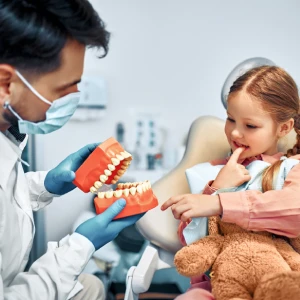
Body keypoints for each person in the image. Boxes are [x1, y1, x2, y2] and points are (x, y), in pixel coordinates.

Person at [0, 1, 143, 299]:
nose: (73, 98)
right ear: (6, 83)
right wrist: (81, 245)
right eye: (63, 89)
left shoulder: (7, 133)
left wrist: (45, 185)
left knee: (91, 287)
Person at [161, 65, 300, 299]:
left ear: (283, 128)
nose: (235, 133)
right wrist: (217, 188)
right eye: (230, 119)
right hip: (215, 285)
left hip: (282, 281)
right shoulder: (212, 172)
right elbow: (189, 240)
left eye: (250, 126)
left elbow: (294, 211)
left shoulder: (292, 168)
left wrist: (220, 203)